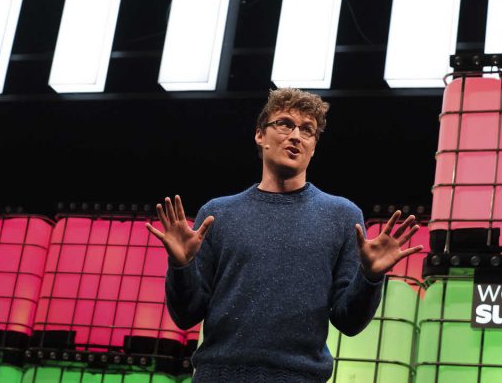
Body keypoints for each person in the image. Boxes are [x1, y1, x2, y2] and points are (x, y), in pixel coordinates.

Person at [146, 88, 422, 383]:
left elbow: (349, 322)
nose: (296, 135)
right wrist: (180, 267)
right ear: (260, 135)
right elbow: (187, 314)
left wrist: (370, 278)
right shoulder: (218, 214)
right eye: (285, 124)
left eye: (308, 130)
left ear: (314, 146)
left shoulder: (342, 216)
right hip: (219, 375)